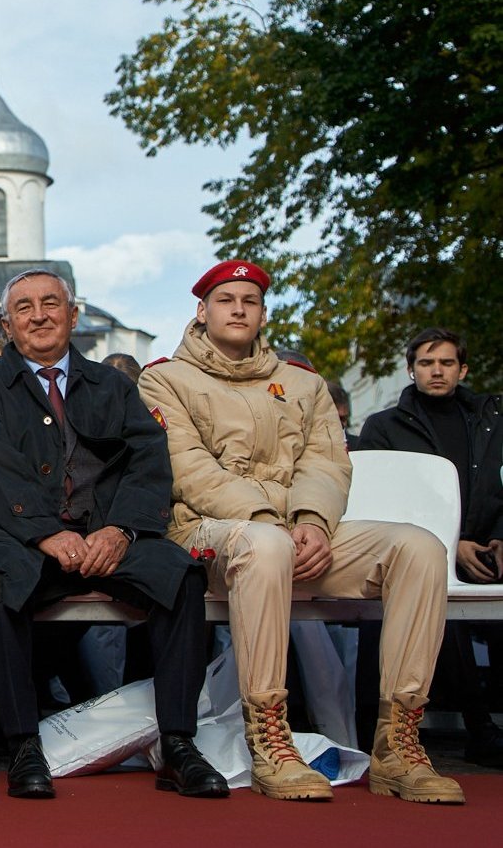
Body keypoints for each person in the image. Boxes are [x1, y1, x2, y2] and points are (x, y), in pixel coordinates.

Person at [138, 260, 464, 804]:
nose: (239, 308)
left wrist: (312, 521)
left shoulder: (304, 384)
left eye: (250, 300)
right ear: (202, 311)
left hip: (301, 533)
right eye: (226, 299)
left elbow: (327, 464)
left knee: (419, 546)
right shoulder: (164, 378)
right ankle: (270, 739)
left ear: (264, 313)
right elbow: (189, 468)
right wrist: (270, 520)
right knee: (264, 545)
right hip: (209, 533)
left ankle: (398, 746)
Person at [0, 268, 226, 800]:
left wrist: (121, 530)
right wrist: (43, 534)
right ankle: (23, 744)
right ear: (7, 325)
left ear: (73, 315)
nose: (39, 315)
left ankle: (177, 742)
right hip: (16, 536)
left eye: (51, 303)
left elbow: (148, 462)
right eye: (25, 307)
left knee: (180, 576)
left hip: (106, 534)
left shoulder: (112, 384)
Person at [358, 327, 503, 766]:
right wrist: (450, 542)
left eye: (445, 363)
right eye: (426, 362)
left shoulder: (493, 420)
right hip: (422, 549)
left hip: (489, 545)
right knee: (432, 592)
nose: (436, 371)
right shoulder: (383, 427)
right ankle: (477, 727)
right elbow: (379, 500)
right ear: (410, 369)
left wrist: (499, 536)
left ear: (463, 369)